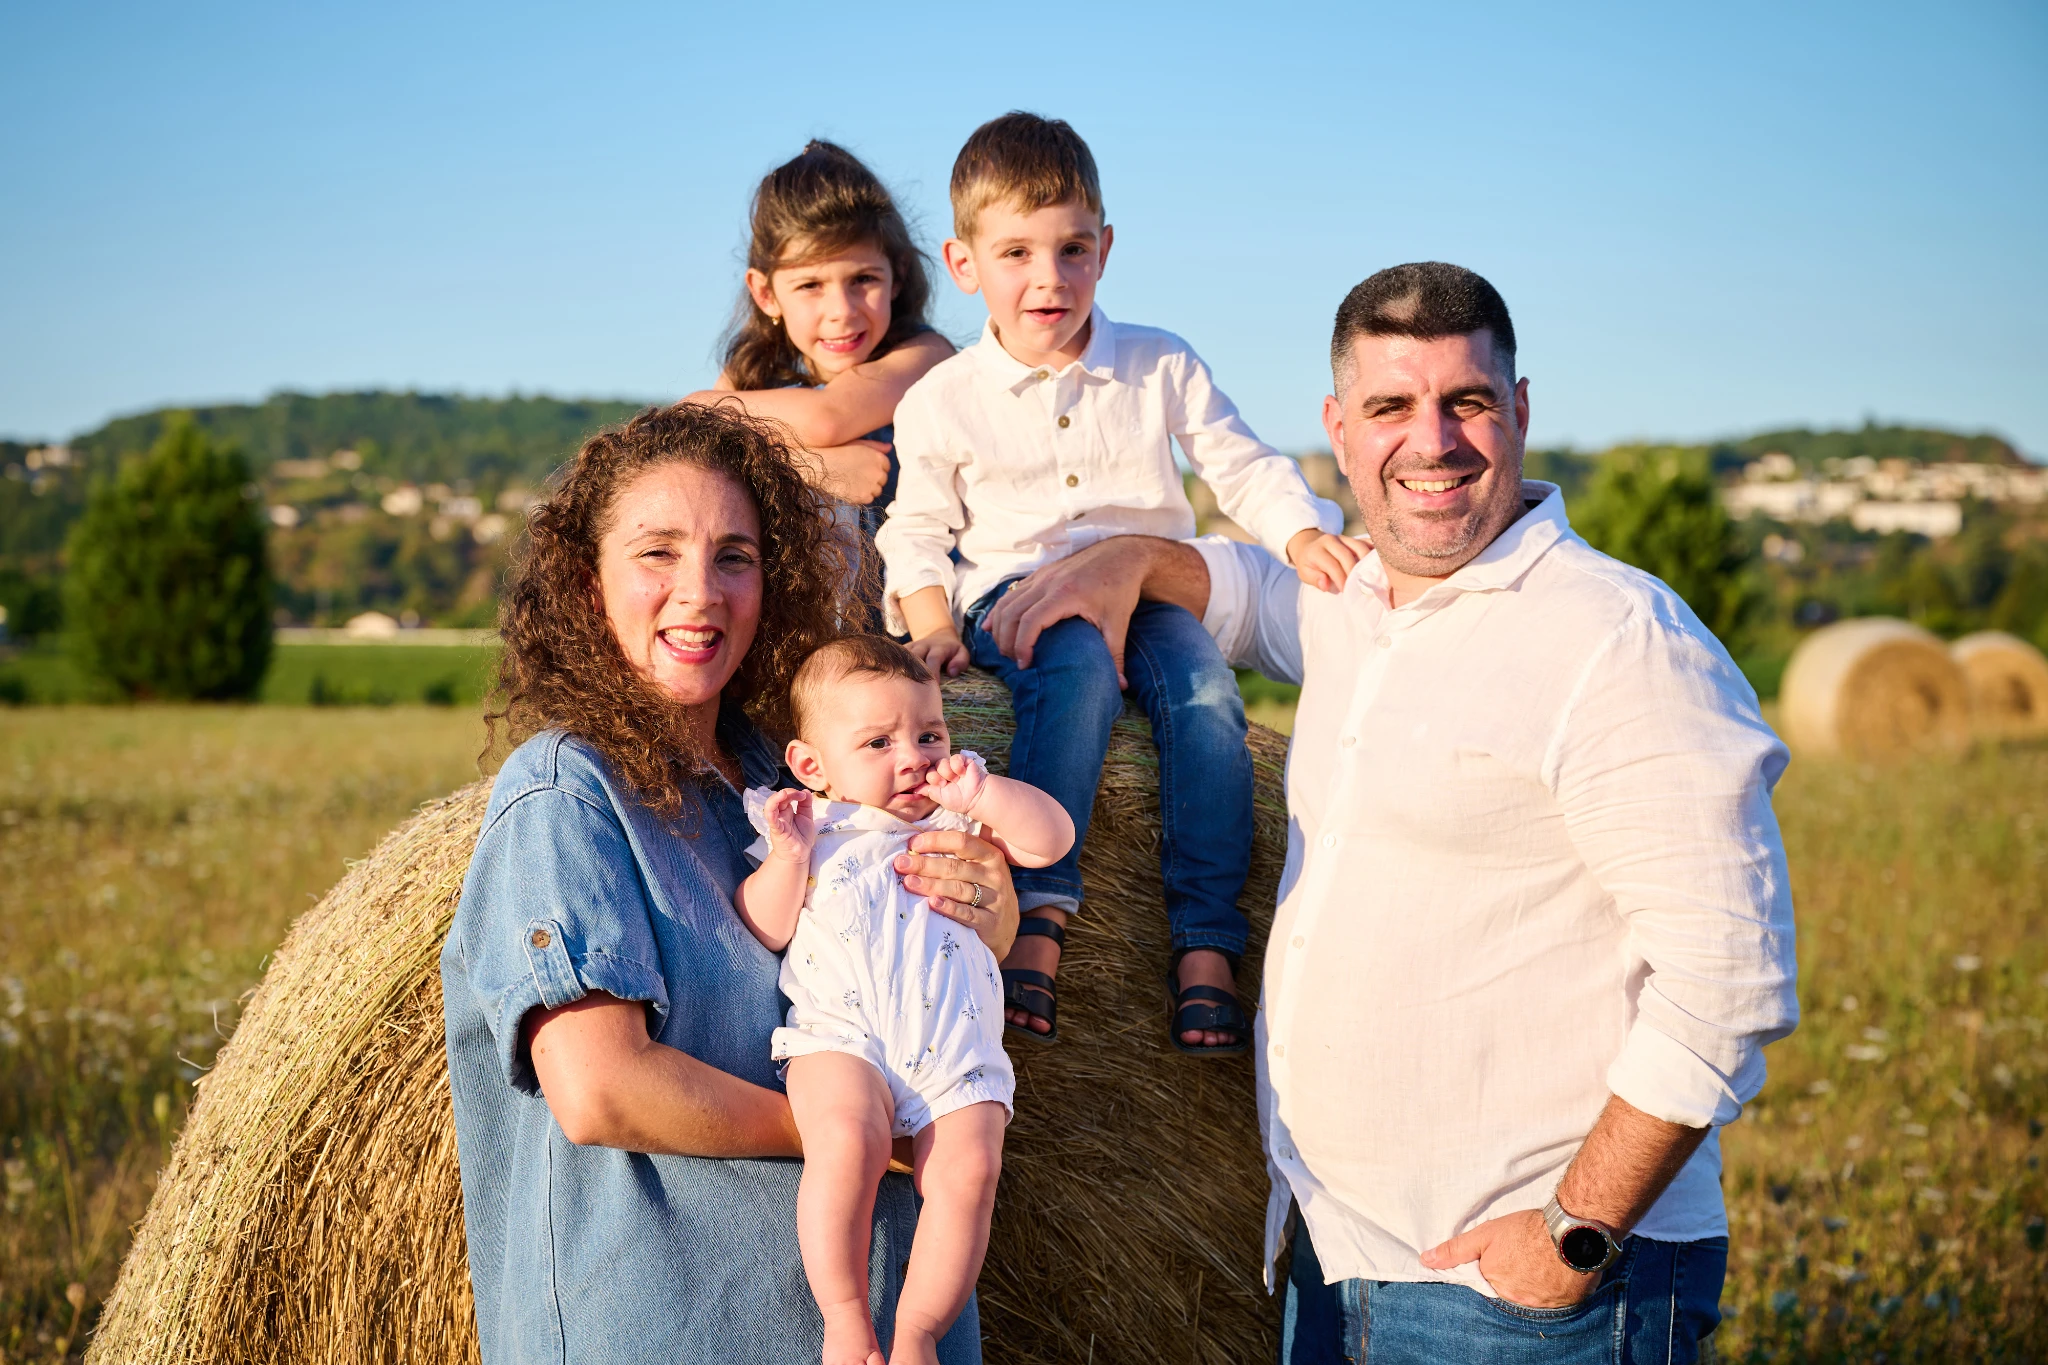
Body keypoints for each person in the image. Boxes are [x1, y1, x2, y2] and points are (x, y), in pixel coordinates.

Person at [972, 263, 1800, 1363]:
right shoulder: (1353, 602)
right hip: (1329, 1257)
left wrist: (1573, 1232)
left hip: (1523, 1295)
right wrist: (1128, 558)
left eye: (1467, 401)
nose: (1432, 441)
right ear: (1338, 428)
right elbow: (1237, 592)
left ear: (1519, 410)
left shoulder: (1617, 641)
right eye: (1390, 406)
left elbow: (1729, 977)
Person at [441, 404, 1021, 1365]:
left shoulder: (794, 778)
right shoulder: (567, 791)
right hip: (676, 1332)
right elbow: (600, 1087)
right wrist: (852, 1133)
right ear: (589, 587)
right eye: (657, 553)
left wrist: (986, 917)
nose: (700, 592)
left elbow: (901, 954)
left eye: (735, 557)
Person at [875, 111, 1353, 1055]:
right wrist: (931, 625)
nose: (1049, 277)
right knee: (1080, 670)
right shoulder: (941, 399)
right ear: (964, 263)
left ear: (1105, 248)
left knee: (1207, 692)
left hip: (1150, 596)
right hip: (1016, 596)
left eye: (1073, 249)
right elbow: (916, 529)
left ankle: (1208, 937)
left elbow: (1237, 460)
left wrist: (1301, 534)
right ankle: (1040, 908)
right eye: (1016, 253)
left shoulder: (1158, 361)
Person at [737, 635, 1074, 1365]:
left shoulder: (956, 818)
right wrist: (788, 858)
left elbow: (1052, 839)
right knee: (846, 1142)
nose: (913, 757)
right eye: (878, 742)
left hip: (954, 1044)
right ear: (812, 765)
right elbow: (763, 926)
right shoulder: (810, 826)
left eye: (929, 734)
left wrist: (983, 795)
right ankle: (844, 1316)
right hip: (842, 1037)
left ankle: (918, 1331)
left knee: (970, 1171)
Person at [684, 140, 954, 558]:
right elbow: (692, 442)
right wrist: (816, 467)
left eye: (863, 279)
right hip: (800, 601)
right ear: (765, 294)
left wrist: (711, 413)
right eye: (811, 285)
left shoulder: (925, 356)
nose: (842, 311)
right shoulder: (756, 370)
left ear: (897, 277)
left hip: (914, 596)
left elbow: (829, 417)